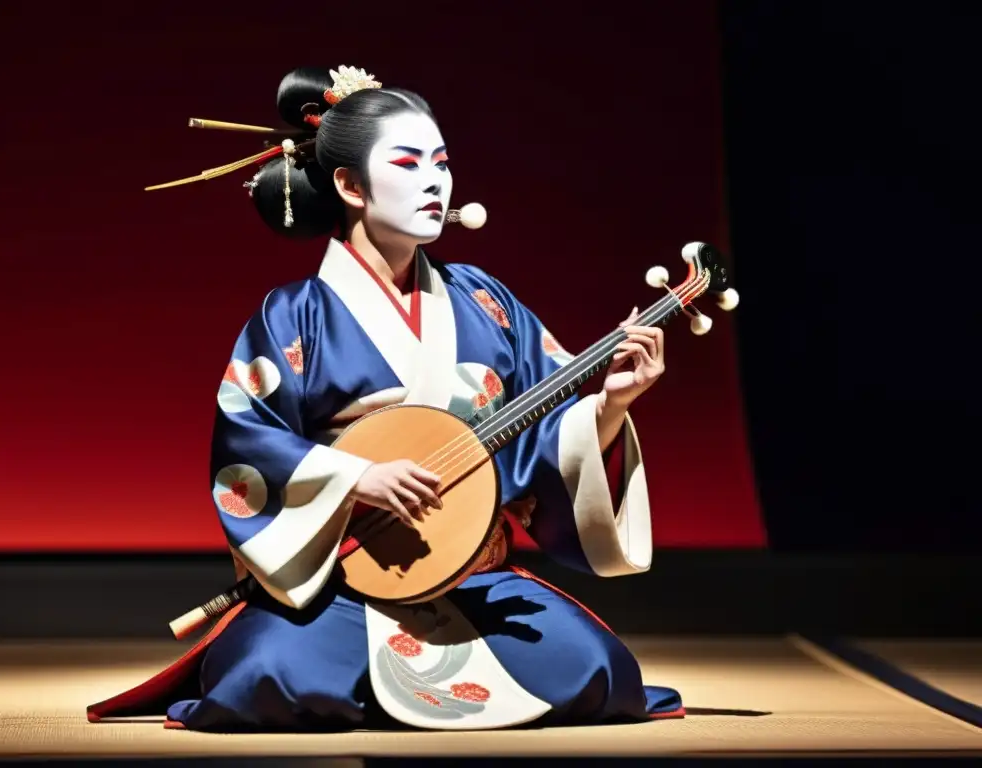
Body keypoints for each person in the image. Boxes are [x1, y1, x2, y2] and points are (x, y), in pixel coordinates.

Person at [88, 65, 683, 732]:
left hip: (467, 578)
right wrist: (357, 476)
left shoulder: (486, 302)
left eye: (443, 164)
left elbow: (530, 446)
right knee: (269, 678)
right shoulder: (295, 316)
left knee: (600, 673)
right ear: (349, 185)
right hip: (340, 578)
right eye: (408, 164)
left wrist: (610, 407)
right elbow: (246, 440)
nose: (436, 182)